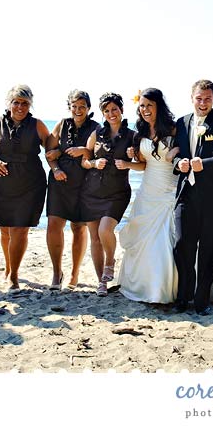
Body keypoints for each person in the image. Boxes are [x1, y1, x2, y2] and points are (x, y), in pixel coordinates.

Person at [171, 79, 213, 315]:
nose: (203, 103)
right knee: (182, 246)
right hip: (186, 194)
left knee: (210, 249)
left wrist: (206, 165)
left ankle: (202, 300)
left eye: (207, 99)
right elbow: (176, 152)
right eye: (199, 98)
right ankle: (183, 295)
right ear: (192, 98)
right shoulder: (181, 122)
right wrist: (179, 163)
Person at [0, 84, 50, 292]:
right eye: (16, 102)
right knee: (5, 230)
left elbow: (53, 146)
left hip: (31, 183)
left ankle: (14, 274)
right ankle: (9, 266)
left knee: (20, 229)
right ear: (9, 104)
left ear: (30, 105)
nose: (20, 107)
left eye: (25, 103)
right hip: (1, 183)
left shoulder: (37, 125)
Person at [117, 88, 181, 303]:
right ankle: (147, 287)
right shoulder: (140, 132)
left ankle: (168, 289)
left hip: (169, 189)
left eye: (149, 105)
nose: (145, 110)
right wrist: (129, 160)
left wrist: (177, 150)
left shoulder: (173, 129)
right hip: (148, 190)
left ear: (158, 107)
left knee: (166, 237)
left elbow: (187, 150)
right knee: (144, 237)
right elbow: (143, 165)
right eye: (142, 106)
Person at [79, 92, 136, 297]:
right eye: (106, 111)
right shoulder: (96, 133)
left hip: (117, 192)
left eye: (114, 109)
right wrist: (94, 163)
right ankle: (101, 281)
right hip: (92, 191)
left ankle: (110, 262)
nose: (111, 114)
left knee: (105, 230)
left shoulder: (132, 135)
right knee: (94, 239)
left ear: (121, 110)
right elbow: (85, 161)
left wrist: (129, 161)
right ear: (102, 113)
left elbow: (143, 164)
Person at [44, 90, 98, 290]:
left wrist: (83, 150)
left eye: (82, 106)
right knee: (53, 225)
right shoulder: (62, 124)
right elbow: (49, 154)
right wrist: (56, 169)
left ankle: (74, 274)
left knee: (78, 227)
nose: (78, 110)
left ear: (89, 108)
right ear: (69, 107)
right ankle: (57, 273)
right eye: (74, 106)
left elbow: (99, 153)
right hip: (60, 181)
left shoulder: (95, 128)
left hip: (84, 183)